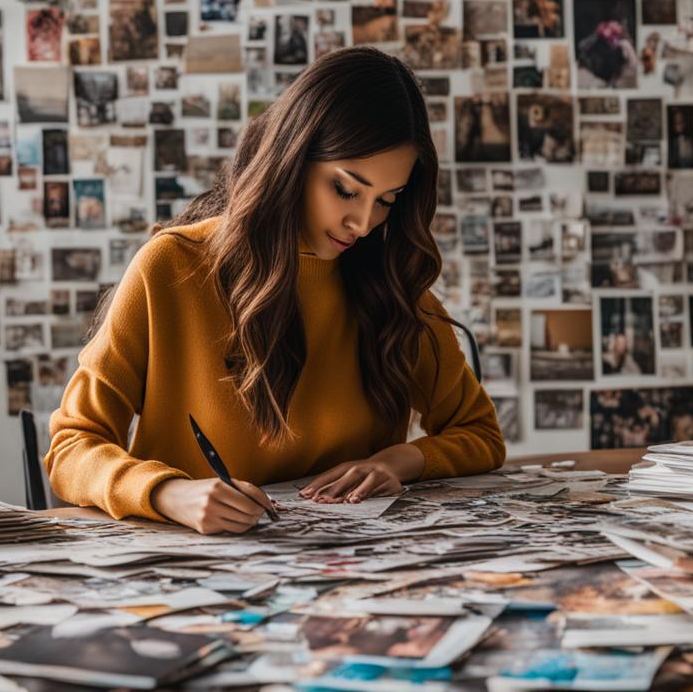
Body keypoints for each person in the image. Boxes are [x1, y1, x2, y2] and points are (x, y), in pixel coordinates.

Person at [46, 47, 505, 535]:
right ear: (293, 160)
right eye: (347, 190)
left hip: (351, 574)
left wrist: (401, 460)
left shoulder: (391, 287)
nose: (364, 222)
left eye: (387, 201)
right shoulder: (170, 268)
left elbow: (481, 434)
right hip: (197, 572)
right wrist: (167, 493)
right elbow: (71, 448)